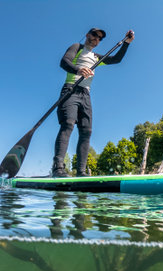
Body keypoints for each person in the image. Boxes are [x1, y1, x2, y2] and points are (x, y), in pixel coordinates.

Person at [52, 28, 135, 177]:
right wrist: (78, 70)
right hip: (70, 90)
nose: (97, 39)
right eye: (95, 35)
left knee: (86, 132)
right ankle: (58, 169)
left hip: (86, 95)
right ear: (88, 35)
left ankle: (81, 172)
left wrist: (127, 43)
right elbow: (64, 62)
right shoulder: (77, 47)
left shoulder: (97, 57)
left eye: (100, 38)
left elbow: (116, 59)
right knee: (68, 125)